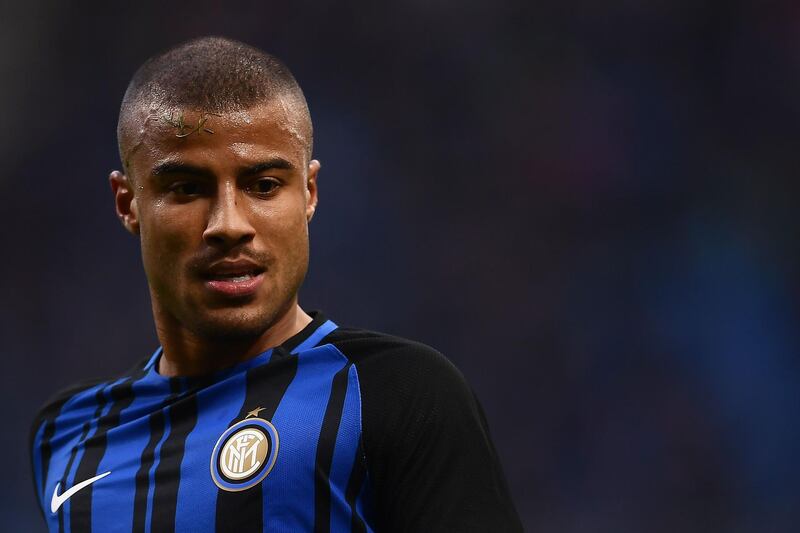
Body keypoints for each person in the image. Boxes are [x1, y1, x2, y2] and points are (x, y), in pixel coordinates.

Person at [29, 36, 522, 532]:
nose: (228, 223)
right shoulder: (67, 433)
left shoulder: (399, 393)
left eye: (263, 185)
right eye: (187, 188)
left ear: (309, 194)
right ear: (127, 202)